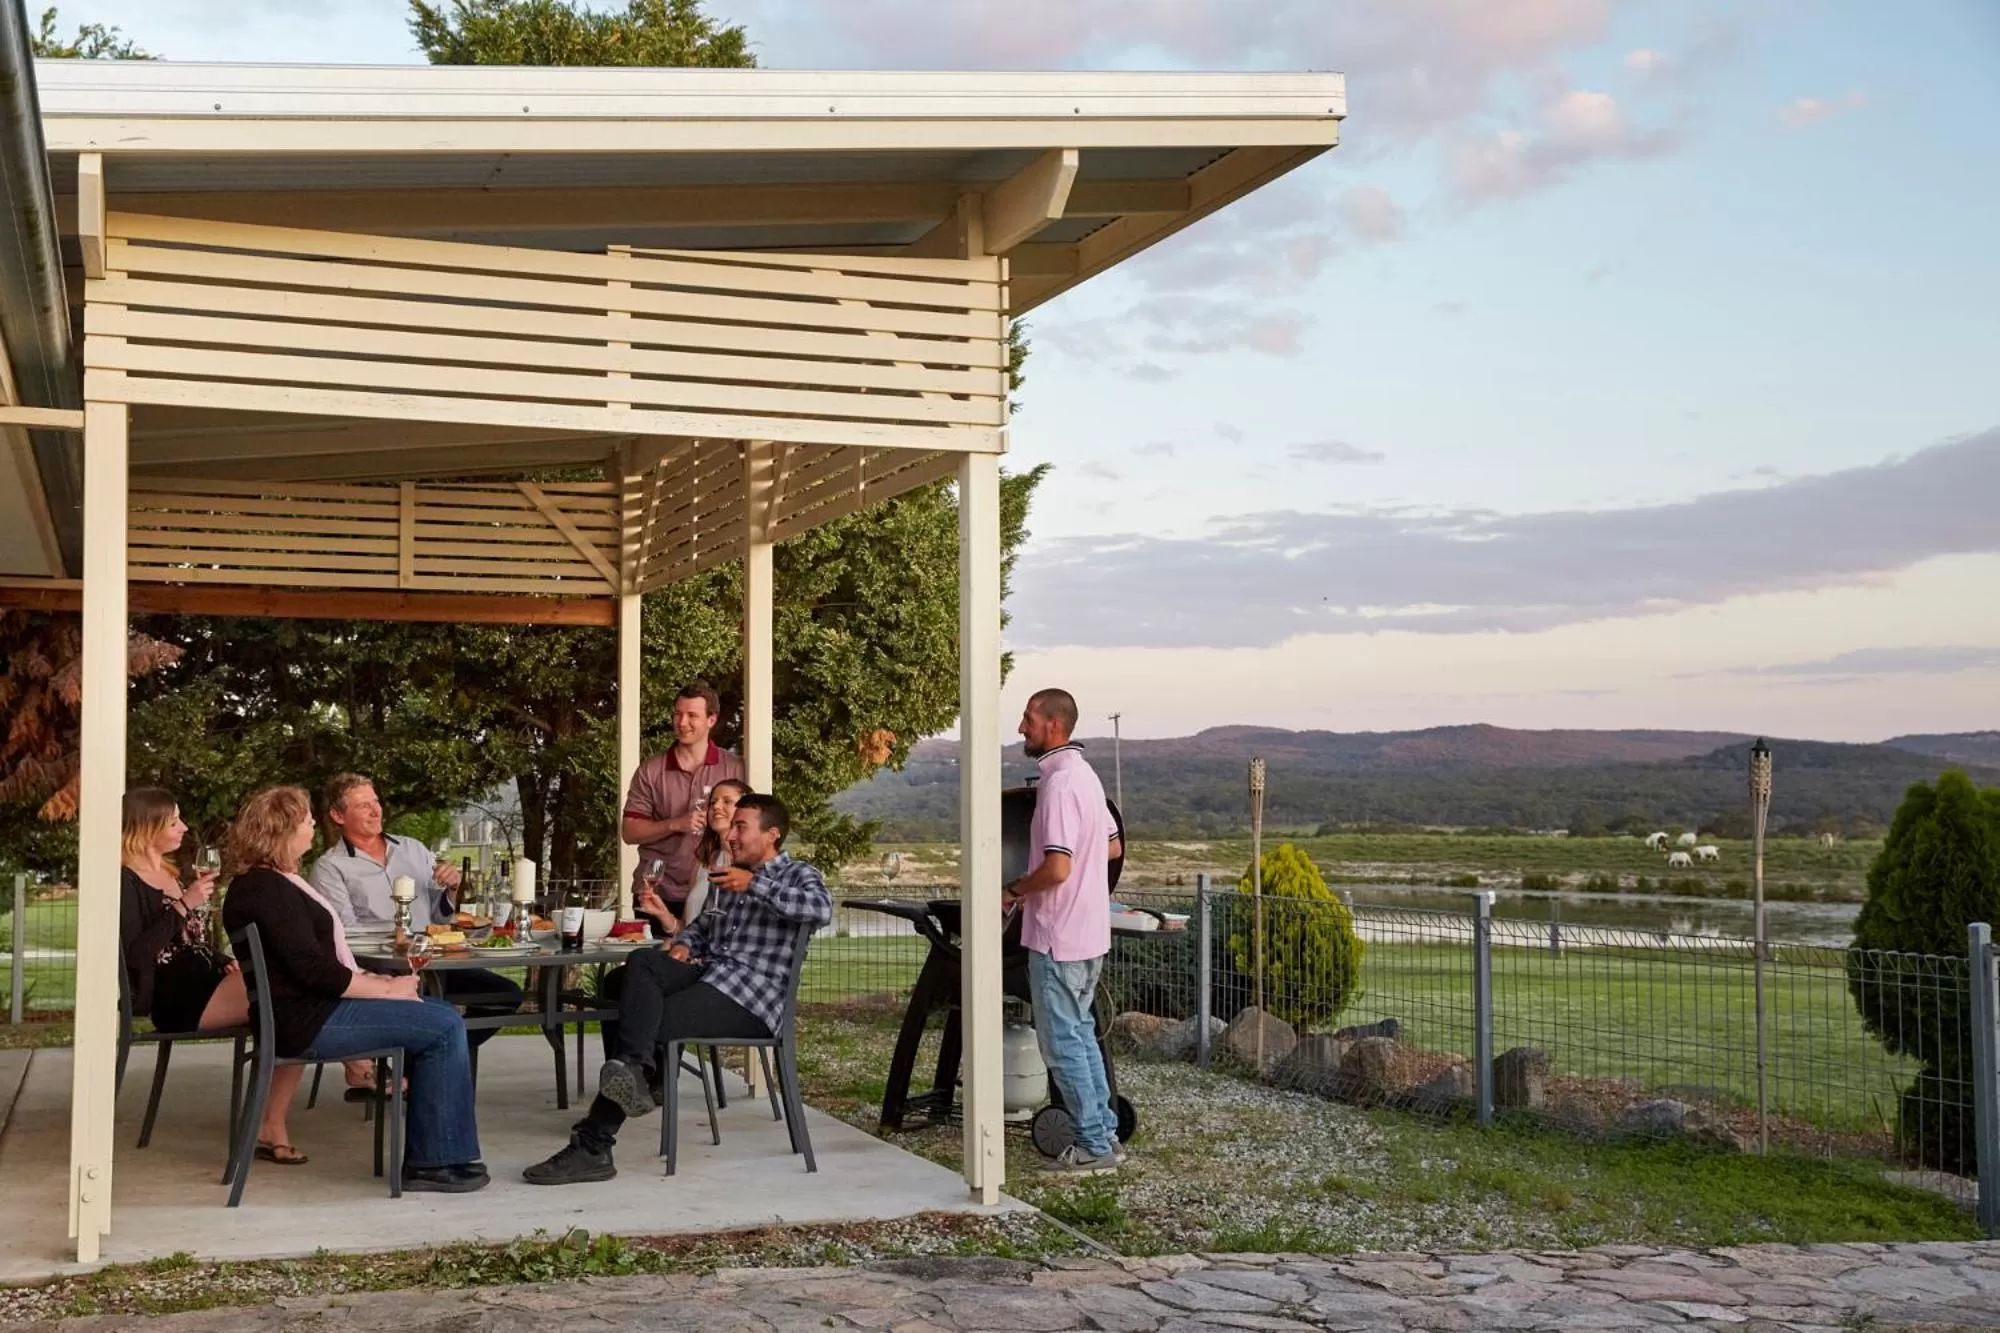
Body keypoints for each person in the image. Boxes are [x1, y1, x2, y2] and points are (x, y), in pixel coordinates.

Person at [524, 793, 830, 1185]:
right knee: (636, 968)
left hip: (751, 998)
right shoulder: (727, 874)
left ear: (772, 835)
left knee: (648, 1017)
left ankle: (594, 1143)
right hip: (709, 975)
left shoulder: (798, 874)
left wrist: (755, 886)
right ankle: (636, 1071)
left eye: (741, 826)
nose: (732, 835)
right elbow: (704, 928)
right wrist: (685, 943)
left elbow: (820, 909)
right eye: (732, 825)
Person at [220, 785, 488, 1193]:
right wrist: (386, 990)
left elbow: (314, 966)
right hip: (307, 1019)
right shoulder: (266, 889)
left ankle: (439, 1153)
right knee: (444, 1024)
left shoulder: (269, 883)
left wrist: (381, 982)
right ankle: (433, 1162)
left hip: (309, 1009)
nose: (313, 825)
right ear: (284, 828)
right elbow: (314, 971)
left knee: (438, 1016)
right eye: (307, 819)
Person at [120, 788, 308, 1166]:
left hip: (201, 982)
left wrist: (222, 959)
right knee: (293, 992)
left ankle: (271, 1122)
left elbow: (191, 942)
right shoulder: (124, 882)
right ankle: (271, 1123)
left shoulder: (170, 874)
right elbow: (135, 955)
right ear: (145, 826)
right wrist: (184, 904)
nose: (184, 828)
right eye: (174, 821)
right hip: (171, 997)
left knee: (294, 999)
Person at [308, 773, 523, 1098]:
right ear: (338, 816)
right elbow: (344, 932)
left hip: (433, 959)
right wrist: (398, 935)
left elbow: (439, 915)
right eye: (363, 805)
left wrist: (452, 888)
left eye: (376, 802)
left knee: (506, 995)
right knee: (431, 1006)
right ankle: (425, 1067)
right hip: (382, 967)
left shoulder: (413, 849)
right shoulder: (330, 867)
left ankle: (423, 1064)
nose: (375, 811)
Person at [1005, 688, 1125, 1176]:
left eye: (1028, 718)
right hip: (1089, 933)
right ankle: (1106, 1135)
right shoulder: (1088, 777)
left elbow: (1056, 868)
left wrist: (1014, 888)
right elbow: (1112, 850)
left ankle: (1095, 1147)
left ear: (1053, 724)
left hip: (1057, 936)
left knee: (1062, 1045)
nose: (1021, 727)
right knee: (1081, 1037)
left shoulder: (1057, 786)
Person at [600, 778, 752, 1059]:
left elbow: (738, 932)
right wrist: (663, 915)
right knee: (614, 982)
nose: (716, 807)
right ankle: (620, 1073)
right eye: (713, 802)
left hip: (714, 969)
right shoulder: (705, 862)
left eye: (727, 802)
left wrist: (697, 954)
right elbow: (690, 928)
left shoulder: (747, 869)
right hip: (691, 961)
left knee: (645, 970)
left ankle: (644, 1072)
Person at [620, 682, 746, 920]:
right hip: (657, 893)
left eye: (691, 715)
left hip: (714, 891)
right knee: (653, 957)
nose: (682, 722)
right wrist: (675, 824)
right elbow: (629, 832)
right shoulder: (651, 770)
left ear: (711, 720)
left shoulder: (734, 767)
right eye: (678, 714)